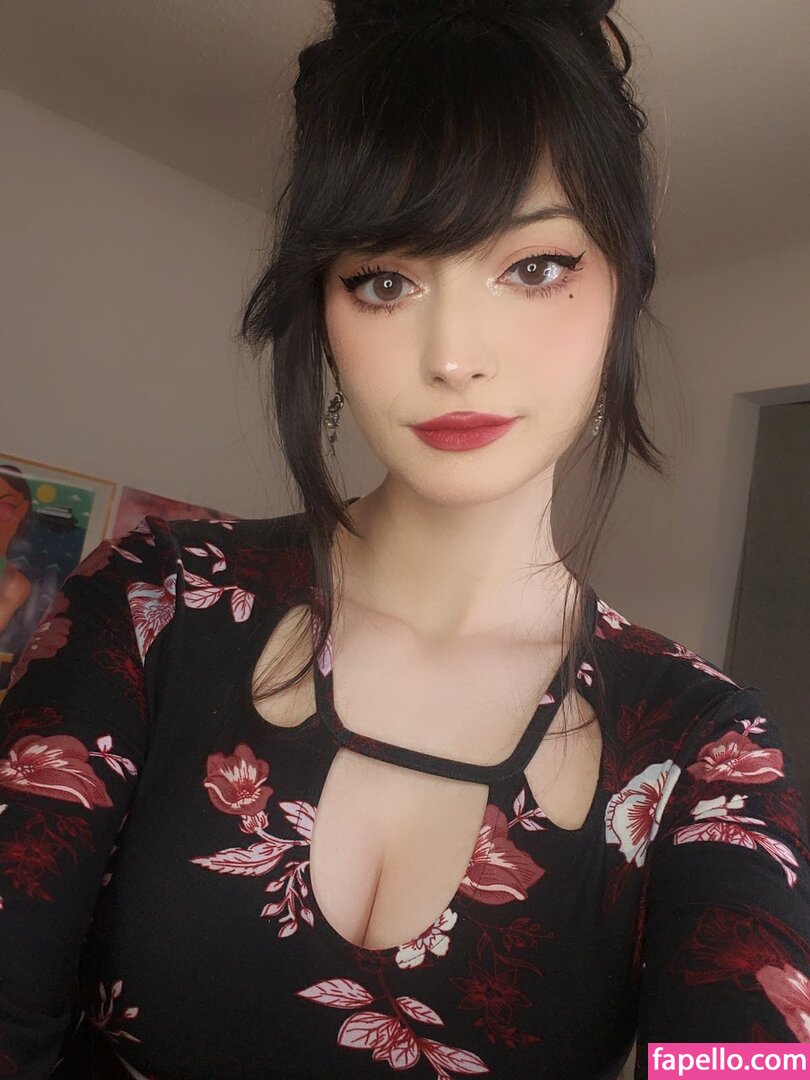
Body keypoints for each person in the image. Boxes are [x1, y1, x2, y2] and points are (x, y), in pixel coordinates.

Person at [1, 1, 809, 1077]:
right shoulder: (155, 601)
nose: (453, 354)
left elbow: (746, 1058)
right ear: (323, 309)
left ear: (627, 281)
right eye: (385, 279)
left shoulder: (707, 744)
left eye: (535, 267)